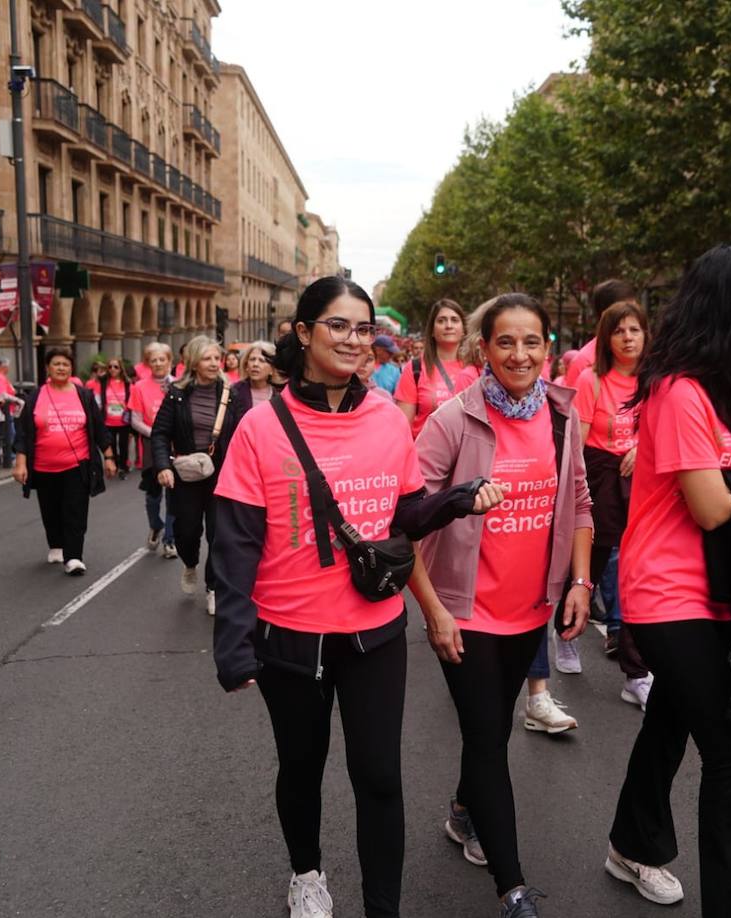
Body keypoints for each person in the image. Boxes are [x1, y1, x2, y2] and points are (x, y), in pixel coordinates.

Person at [212, 276, 493, 918]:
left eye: (363, 328)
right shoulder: (260, 427)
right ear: (304, 334)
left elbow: (405, 513)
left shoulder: (387, 420)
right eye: (336, 325)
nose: (352, 339)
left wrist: (452, 500)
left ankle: (381, 907)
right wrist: (233, 643)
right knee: (302, 768)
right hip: (290, 636)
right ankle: (306, 874)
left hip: (375, 630)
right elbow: (233, 542)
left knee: (379, 776)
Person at [609, 245, 731, 917]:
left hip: (721, 593)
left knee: (670, 720)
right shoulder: (680, 391)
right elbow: (713, 505)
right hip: (667, 594)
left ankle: (633, 841)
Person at [412, 292, 593, 918]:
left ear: (547, 348)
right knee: (488, 737)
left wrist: (579, 583)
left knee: (488, 729)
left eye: (532, 342)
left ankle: (465, 811)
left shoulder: (564, 418)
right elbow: (405, 521)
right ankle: (513, 889)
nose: (520, 354)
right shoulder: (451, 421)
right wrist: (434, 610)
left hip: (531, 610)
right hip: (465, 612)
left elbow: (580, 506)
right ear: (483, 348)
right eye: (506, 342)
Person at [573, 299, 653, 708]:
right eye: (619, 331)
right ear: (606, 338)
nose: (627, 337)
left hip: (644, 480)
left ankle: (635, 673)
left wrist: (644, 446)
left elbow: (664, 425)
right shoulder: (591, 380)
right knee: (596, 562)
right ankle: (566, 631)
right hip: (601, 475)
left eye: (634, 330)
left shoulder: (656, 380)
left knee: (636, 569)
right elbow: (578, 440)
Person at [12, 347, 114, 575]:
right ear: (48, 368)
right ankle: (56, 544)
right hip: (44, 466)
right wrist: (20, 462)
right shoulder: (36, 397)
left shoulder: (83, 395)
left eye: (65, 364)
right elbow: (23, 433)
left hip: (77, 465)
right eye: (56, 364)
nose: (61, 368)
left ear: (71, 368)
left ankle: (74, 557)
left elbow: (98, 428)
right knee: (51, 509)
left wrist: (108, 457)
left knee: (75, 510)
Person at [152, 335, 229, 615]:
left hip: (222, 473)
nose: (213, 363)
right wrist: (163, 466)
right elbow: (160, 433)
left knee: (220, 534)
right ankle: (189, 563)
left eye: (216, 358)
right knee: (186, 532)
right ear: (194, 362)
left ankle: (213, 588)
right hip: (185, 474)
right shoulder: (177, 393)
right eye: (207, 358)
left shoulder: (229, 392)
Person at [129, 343, 176, 559]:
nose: (158, 363)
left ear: (169, 361)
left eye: (162, 359)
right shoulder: (139, 387)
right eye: (153, 360)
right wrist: (157, 433)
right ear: (148, 363)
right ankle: (156, 524)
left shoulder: (179, 385)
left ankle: (170, 540)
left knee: (174, 494)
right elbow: (135, 420)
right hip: (150, 444)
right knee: (153, 494)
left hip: (177, 444)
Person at [396, 298, 468, 436]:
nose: (448, 325)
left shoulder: (477, 368)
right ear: (432, 331)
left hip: (466, 454)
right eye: (441, 321)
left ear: (464, 329)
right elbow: (402, 427)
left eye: (454, 320)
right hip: (425, 453)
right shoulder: (415, 368)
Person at [563, 280, 637, 388]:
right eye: (627, 311)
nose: (635, 316)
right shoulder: (584, 362)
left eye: (635, 309)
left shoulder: (645, 356)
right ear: (605, 315)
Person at [89, 358, 133, 477]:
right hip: (108, 420)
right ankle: (114, 464)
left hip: (123, 420)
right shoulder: (103, 382)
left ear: (120, 369)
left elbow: (133, 399)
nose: (112, 369)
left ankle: (123, 466)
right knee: (111, 444)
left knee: (123, 445)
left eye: (116, 367)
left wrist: (128, 406)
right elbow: (97, 399)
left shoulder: (127, 383)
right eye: (110, 367)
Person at [0, 358, 20, 469]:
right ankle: (9, 457)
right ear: (3, 367)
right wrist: (16, 400)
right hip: (3, 412)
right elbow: (2, 394)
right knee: (9, 434)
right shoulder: (0, 378)